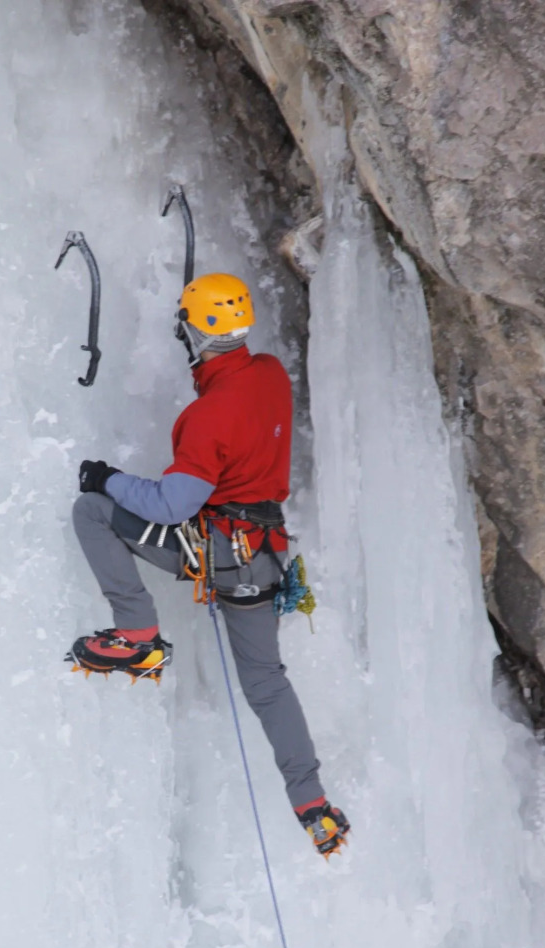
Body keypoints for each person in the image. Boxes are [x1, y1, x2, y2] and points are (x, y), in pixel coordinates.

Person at [68, 272, 350, 857]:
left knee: (93, 510)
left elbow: (173, 504)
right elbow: (235, 395)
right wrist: (204, 364)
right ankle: (313, 805)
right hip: (265, 558)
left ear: (197, 330)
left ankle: (137, 634)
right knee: (267, 684)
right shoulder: (269, 373)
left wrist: (110, 478)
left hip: (220, 551)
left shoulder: (209, 418)